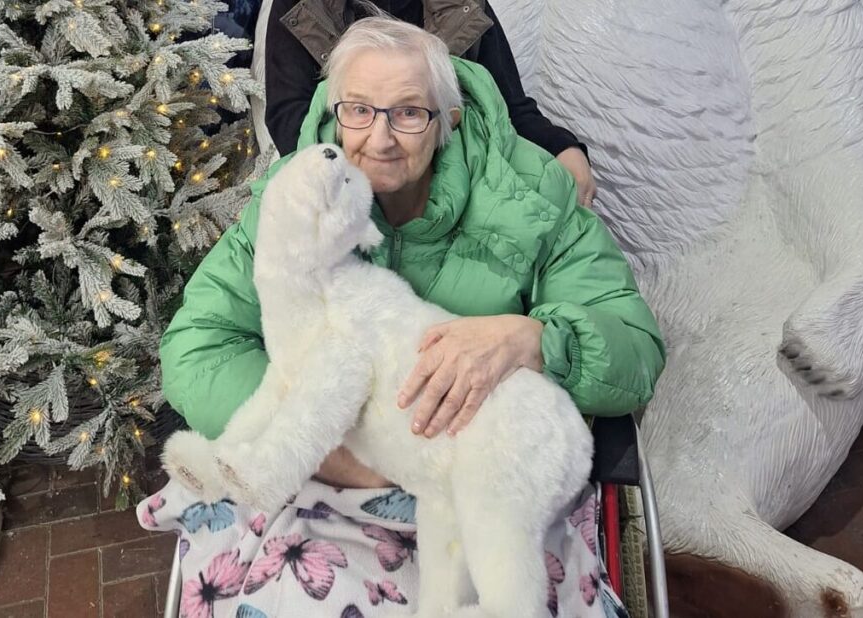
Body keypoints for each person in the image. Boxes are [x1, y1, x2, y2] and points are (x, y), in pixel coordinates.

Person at [141, 17, 664, 617]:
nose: (381, 137)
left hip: (492, 474)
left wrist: (538, 339)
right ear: (336, 113)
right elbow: (197, 346)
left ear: (449, 117)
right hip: (330, 481)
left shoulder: (533, 194)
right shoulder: (300, 197)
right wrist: (337, 452)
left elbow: (634, 345)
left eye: (409, 112)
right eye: (359, 110)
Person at [263, 0, 599, 207]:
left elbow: (509, 108)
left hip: (457, 189)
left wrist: (562, 147)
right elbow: (290, 119)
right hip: (344, 184)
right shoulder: (301, 5)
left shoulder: (465, 3)